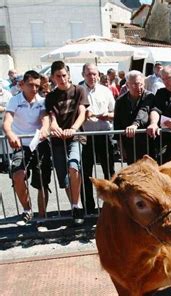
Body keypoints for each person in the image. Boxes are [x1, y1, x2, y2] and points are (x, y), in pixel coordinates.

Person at [2, 70, 52, 227]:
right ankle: (27, 210)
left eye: (37, 86)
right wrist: (10, 134)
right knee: (17, 175)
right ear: (22, 85)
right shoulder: (14, 100)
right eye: (31, 85)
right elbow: (7, 121)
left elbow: (45, 119)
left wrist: (45, 128)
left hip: (40, 144)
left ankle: (42, 217)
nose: (34, 89)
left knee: (42, 182)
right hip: (21, 145)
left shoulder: (42, 101)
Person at [46, 61, 89, 226]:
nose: (62, 79)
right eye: (58, 76)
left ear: (69, 75)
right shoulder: (50, 96)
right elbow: (51, 116)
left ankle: (77, 205)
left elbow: (82, 112)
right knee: (64, 178)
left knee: (74, 165)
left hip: (76, 137)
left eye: (64, 75)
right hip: (57, 141)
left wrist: (73, 128)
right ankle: (73, 205)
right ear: (53, 77)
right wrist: (54, 126)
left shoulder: (79, 90)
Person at [80, 63, 115, 215]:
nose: (92, 77)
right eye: (88, 74)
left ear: (98, 75)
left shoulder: (106, 91)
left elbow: (115, 112)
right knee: (85, 174)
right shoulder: (78, 91)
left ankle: (112, 205)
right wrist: (82, 115)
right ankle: (89, 208)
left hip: (104, 135)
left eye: (94, 74)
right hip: (85, 138)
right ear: (83, 75)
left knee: (109, 172)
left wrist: (108, 115)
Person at [114, 70, 154, 165]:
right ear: (127, 85)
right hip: (129, 145)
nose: (139, 87)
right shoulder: (120, 101)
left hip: (147, 143)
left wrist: (135, 125)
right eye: (135, 85)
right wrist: (120, 146)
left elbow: (144, 111)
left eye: (141, 84)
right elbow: (117, 124)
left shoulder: (149, 96)